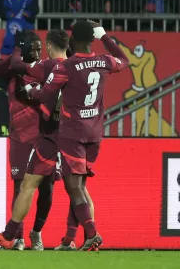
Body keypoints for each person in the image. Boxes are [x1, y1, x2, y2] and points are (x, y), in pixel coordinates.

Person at [28, 20, 129, 251]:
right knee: (80, 186)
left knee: (73, 186)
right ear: (92, 39)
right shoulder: (104, 61)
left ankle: (92, 233)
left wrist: (29, 90)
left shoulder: (67, 66)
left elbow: (45, 94)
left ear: (72, 39)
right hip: (94, 133)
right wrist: (105, 37)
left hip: (72, 132)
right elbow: (125, 60)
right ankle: (68, 240)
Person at [0, 29, 68, 250]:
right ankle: (18, 237)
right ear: (25, 48)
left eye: (41, 48)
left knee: (48, 188)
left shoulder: (45, 68)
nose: (40, 52)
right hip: (20, 136)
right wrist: (16, 52)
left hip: (46, 134)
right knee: (21, 186)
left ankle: (36, 232)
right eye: (35, 48)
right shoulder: (13, 68)